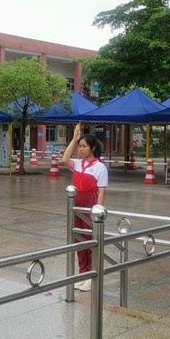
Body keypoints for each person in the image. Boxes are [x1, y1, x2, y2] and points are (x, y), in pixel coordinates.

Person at [62, 123, 108, 292]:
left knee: (90, 240)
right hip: (76, 203)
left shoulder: (100, 167)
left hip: (90, 204)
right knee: (79, 239)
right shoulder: (77, 164)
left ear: (92, 148)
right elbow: (64, 160)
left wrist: (98, 213)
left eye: (84, 146)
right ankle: (82, 273)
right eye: (79, 146)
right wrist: (74, 140)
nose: (81, 149)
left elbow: (101, 191)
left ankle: (91, 274)